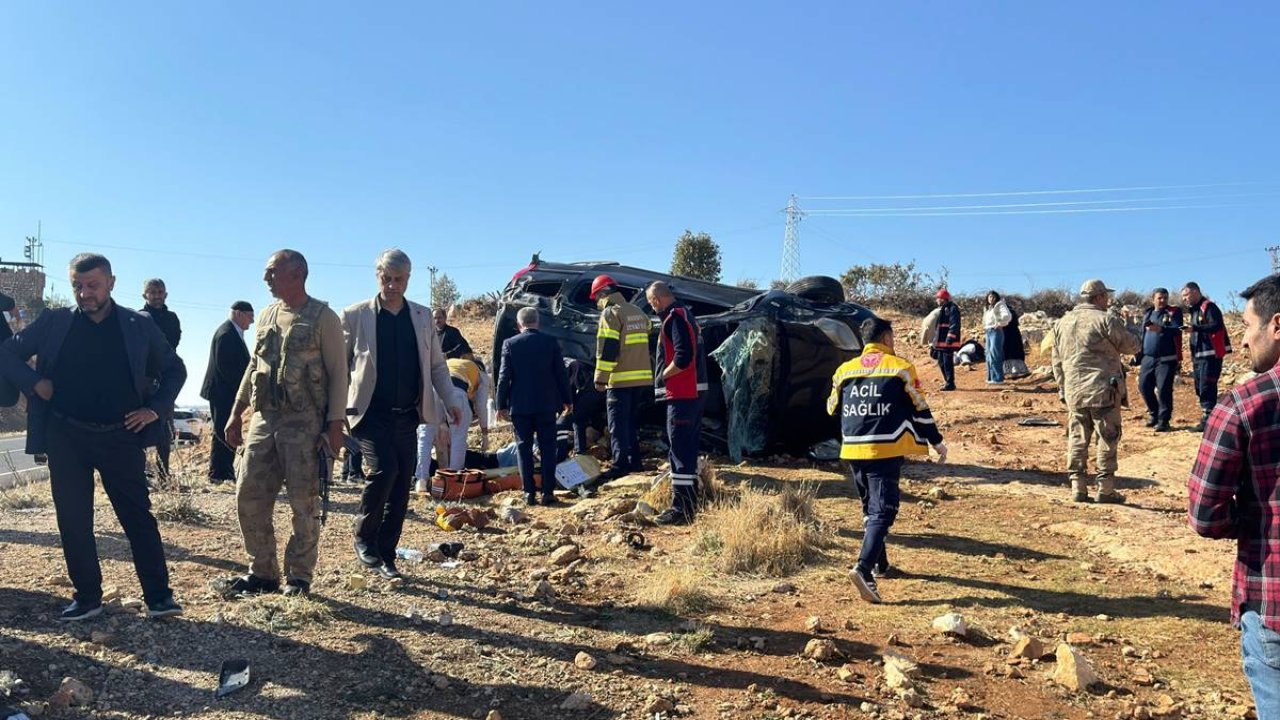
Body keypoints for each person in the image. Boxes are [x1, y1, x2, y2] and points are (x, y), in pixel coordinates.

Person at [0, 253, 186, 620]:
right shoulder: (55, 322)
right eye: (78, 286)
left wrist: (156, 409)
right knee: (73, 519)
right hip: (66, 435)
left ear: (111, 284)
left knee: (137, 517)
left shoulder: (138, 325)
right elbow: (6, 352)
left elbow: (174, 369)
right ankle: (87, 598)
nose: (85, 293)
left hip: (121, 435)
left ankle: (159, 597)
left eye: (93, 285)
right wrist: (35, 383)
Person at [222, 250, 349, 597]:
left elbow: (339, 374)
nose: (266, 279)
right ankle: (262, 572)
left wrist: (335, 425)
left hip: (305, 422)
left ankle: (299, 576)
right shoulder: (265, 316)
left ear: (296, 274)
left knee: (303, 501)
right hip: (264, 419)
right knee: (248, 493)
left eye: (272, 272)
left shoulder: (324, 317)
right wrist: (236, 411)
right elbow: (253, 367)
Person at [1187, 274, 1280, 718]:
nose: (1242, 341)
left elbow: (1206, 514)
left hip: (1273, 604)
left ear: (1277, 325)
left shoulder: (1245, 404)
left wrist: (1256, 520)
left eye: (1247, 326)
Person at [342, 249, 459, 579]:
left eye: (399, 280)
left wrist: (450, 400)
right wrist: (334, 413)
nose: (392, 286)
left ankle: (387, 553)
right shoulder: (355, 315)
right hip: (369, 412)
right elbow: (340, 366)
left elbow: (436, 366)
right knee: (384, 470)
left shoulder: (422, 318)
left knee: (401, 484)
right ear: (377, 275)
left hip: (408, 413)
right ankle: (364, 538)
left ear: (409, 279)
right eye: (386, 278)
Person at [827, 316, 946, 604]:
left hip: (853, 450)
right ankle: (864, 568)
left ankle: (881, 565)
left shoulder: (844, 370)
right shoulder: (900, 368)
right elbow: (920, 407)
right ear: (887, 339)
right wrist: (936, 441)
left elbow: (832, 408)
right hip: (885, 447)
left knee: (870, 509)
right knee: (884, 511)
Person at [1051, 279, 1141, 503]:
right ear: (1099, 297)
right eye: (1106, 296)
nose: (1108, 300)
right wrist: (1131, 326)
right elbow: (1132, 346)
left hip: (1074, 390)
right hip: (1103, 390)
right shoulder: (1105, 320)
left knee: (1077, 437)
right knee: (1107, 437)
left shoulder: (1062, 323)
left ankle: (1078, 487)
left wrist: (1063, 388)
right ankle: (1105, 488)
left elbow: (1056, 362)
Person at [644, 282, 709, 525]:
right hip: (691, 394)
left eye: (651, 303)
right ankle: (688, 505)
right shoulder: (686, 316)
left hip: (683, 394)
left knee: (680, 451)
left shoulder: (675, 318)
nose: (652, 308)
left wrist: (663, 375)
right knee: (686, 450)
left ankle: (681, 509)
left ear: (656, 300)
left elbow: (682, 358)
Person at [495, 307, 572, 506]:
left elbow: (504, 377)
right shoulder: (550, 342)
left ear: (519, 324)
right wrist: (567, 399)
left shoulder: (510, 344)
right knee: (548, 448)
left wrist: (500, 404)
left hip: (520, 405)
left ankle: (529, 492)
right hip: (546, 404)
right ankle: (547, 492)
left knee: (524, 448)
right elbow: (561, 374)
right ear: (537, 322)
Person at [590, 274, 654, 480]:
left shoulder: (611, 314)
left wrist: (601, 378)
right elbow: (649, 329)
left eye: (597, 298)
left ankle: (620, 465)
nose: (598, 303)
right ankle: (635, 462)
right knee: (630, 423)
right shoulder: (638, 312)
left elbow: (608, 348)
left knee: (617, 425)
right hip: (641, 379)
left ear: (602, 293)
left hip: (619, 379)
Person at [199, 301, 254, 484]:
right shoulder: (226, 334)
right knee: (222, 431)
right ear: (239, 313)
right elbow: (226, 368)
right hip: (222, 392)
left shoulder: (233, 333)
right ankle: (218, 473)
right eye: (250, 316)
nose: (252, 321)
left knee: (227, 430)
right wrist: (242, 390)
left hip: (227, 391)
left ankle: (226, 470)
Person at [139, 278, 182, 481]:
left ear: (165, 294)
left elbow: (171, 344)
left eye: (160, 292)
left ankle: (164, 474)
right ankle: (137, 473)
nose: (156, 295)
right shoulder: (138, 318)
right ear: (145, 295)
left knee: (164, 428)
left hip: (165, 377)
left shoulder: (172, 318)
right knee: (137, 425)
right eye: (152, 292)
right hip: (143, 378)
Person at [1182, 281, 1232, 432]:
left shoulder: (1208, 307)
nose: (1184, 299)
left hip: (1210, 355)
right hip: (1198, 355)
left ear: (1195, 292)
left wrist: (1195, 328)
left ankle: (1209, 419)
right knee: (1199, 386)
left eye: (1186, 295)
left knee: (1206, 385)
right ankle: (1209, 415)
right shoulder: (1194, 310)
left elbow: (1216, 325)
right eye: (1183, 296)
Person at [1138, 287, 1184, 432]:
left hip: (1166, 358)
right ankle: (1154, 414)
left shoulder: (1174, 312)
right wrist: (1138, 354)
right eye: (1160, 298)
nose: (1163, 300)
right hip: (1148, 358)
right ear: (1153, 298)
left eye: (1165, 298)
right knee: (1144, 386)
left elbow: (1178, 329)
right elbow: (1142, 334)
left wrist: (1162, 329)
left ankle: (1164, 420)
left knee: (1164, 389)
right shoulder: (1148, 313)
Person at [446, 357, 493, 461]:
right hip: (456, 389)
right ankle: (455, 473)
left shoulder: (456, 363)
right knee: (458, 439)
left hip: (433, 390)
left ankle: (424, 474)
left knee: (431, 437)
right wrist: (485, 435)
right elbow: (481, 407)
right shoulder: (481, 375)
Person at [564, 357, 605, 454]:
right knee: (594, 417)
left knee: (578, 420)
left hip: (588, 388)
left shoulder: (564, 367)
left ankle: (579, 451)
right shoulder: (573, 360)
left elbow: (569, 389)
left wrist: (569, 406)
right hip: (600, 386)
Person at [933, 289, 961, 391]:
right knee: (941, 362)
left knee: (947, 362)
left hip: (948, 342)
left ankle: (950, 383)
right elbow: (938, 327)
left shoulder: (953, 308)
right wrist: (934, 342)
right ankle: (947, 382)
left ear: (943, 299)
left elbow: (955, 324)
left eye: (938, 298)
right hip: (941, 341)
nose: (937, 300)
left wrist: (950, 337)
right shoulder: (941, 310)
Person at [982, 291, 1012, 385]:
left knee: (995, 354)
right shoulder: (987, 309)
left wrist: (1000, 324)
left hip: (996, 332)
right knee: (988, 354)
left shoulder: (1000, 305)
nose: (991, 299)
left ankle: (998, 378)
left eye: (993, 297)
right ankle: (991, 377)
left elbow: (1007, 316)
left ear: (996, 298)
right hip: (988, 331)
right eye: (990, 297)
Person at [1002, 302, 1030, 379]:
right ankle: (1017, 371)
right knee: (1014, 352)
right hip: (1014, 336)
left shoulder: (1003, 314)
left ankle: (1010, 372)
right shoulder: (1012, 313)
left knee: (1008, 353)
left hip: (1006, 335)